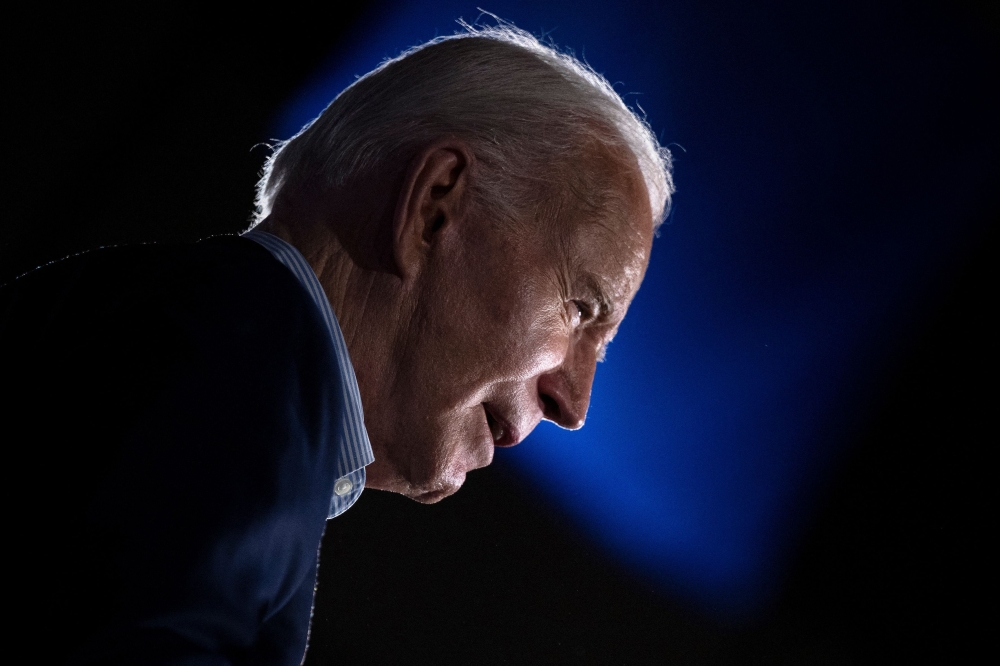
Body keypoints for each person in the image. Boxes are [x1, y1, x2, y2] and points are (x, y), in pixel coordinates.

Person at [0, 22, 672, 665]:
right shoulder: (236, 368)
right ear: (435, 204)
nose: (574, 403)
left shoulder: (221, 351)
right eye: (582, 309)